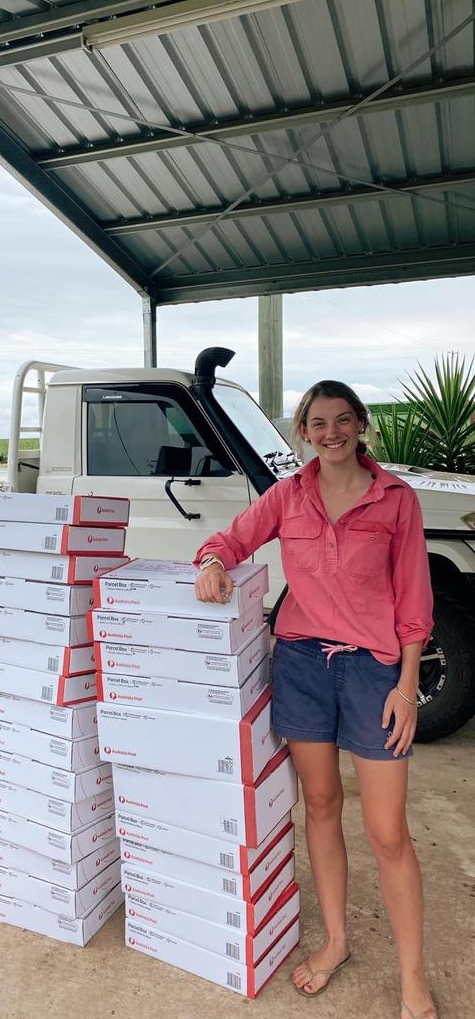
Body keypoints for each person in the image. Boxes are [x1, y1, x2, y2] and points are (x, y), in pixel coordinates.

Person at [193, 381, 437, 1019]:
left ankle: (413, 978)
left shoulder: (395, 500)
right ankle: (336, 943)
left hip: (374, 674)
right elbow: (231, 538)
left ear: (360, 426)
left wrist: (407, 687)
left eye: (343, 421)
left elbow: (414, 601)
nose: (331, 433)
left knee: (388, 832)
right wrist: (211, 562)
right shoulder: (289, 496)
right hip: (300, 665)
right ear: (303, 431)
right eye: (318, 422)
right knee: (322, 806)